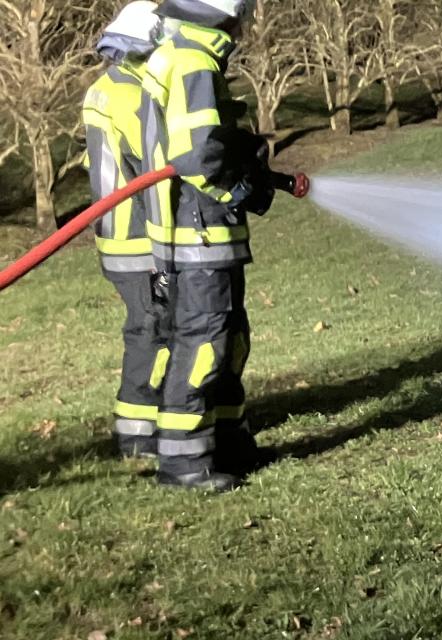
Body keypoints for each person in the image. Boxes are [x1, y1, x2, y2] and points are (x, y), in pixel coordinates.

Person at [140, 0, 275, 491]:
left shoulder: (186, 56)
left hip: (207, 237)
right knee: (203, 347)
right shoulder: (193, 62)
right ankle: (183, 464)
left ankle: (229, 445)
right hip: (199, 237)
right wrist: (239, 188)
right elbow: (198, 157)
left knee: (228, 343)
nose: (246, 23)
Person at [84, 1, 165, 460]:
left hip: (112, 230)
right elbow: (152, 159)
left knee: (148, 325)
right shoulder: (131, 94)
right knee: (150, 327)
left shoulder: (101, 88)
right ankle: (138, 434)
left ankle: (144, 426)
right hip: (137, 233)